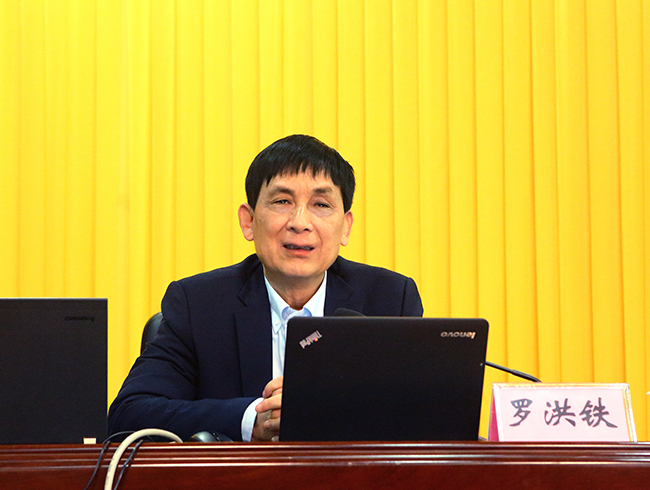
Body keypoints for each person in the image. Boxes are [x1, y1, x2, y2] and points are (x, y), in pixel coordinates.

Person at [108, 134, 423, 442]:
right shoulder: (199, 305)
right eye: (282, 201)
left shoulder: (390, 300)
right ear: (248, 221)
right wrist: (253, 419)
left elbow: (423, 417)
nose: (300, 222)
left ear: (345, 227)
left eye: (321, 204)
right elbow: (129, 414)